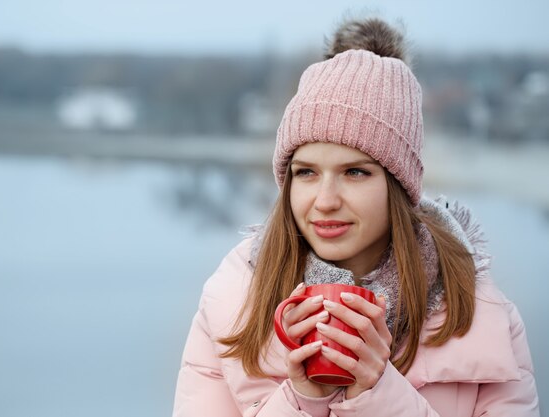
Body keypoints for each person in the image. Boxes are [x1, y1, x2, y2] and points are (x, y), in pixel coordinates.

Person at [172, 17, 539, 417]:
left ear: (398, 185)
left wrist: (380, 395)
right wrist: (302, 400)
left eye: (355, 172)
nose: (325, 201)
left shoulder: (481, 317)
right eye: (306, 172)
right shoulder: (232, 299)